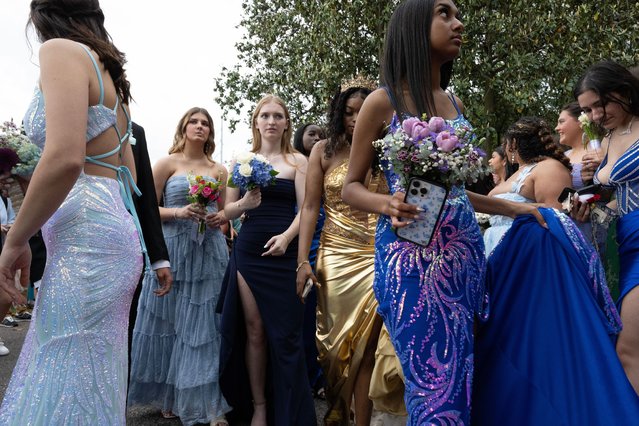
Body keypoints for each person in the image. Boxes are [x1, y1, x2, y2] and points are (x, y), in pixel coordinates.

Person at [341, 1, 542, 423]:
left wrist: (517, 208)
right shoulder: (383, 101)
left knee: (465, 374)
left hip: (464, 256)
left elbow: (455, 193)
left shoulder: (454, 101)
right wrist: (387, 202)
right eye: (444, 13)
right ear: (414, 26)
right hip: (412, 259)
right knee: (432, 380)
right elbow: (351, 187)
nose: (458, 23)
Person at [0, 0, 145, 423]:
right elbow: (126, 177)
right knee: (90, 374)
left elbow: (65, 159)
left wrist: (16, 239)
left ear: (41, 14)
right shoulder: (111, 79)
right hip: (113, 232)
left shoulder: (59, 50)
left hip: (84, 237)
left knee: (63, 368)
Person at [472, 116, 639, 424]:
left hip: (530, 269)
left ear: (511, 146)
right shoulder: (516, 173)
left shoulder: (547, 168)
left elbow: (556, 220)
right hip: (500, 264)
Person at [297, 79, 405, 425]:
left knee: (368, 347)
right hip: (336, 254)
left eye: (362, 112)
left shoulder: (391, 152)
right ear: (337, 115)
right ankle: (339, 412)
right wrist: (303, 261)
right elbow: (311, 207)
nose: (356, 119)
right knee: (333, 348)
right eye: (348, 113)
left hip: (379, 251)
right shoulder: (323, 151)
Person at [217, 94, 315, 425]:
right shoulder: (241, 161)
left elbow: (306, 209)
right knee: (255, 330)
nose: (271, 121)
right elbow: (225, 212)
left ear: (287, 122)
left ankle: (289, 412)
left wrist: (288, 239)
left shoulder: (299, 161)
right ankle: (258, 406)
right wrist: (244, 203)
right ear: (256, 122)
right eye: (265, 116)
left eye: (278, 116)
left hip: (285, 251)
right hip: (250, 250)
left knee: (285, 334)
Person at [128, 108, 230, 425]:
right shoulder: (166, 163)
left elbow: (226, 218)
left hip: (209, 253)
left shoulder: (220, 170)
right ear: (184, 128)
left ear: (210, 133)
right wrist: (179, 212)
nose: (200, 127)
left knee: (202, 328)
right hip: (171, 250)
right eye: (194, 122)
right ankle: (170, 393)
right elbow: (144, 208)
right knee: (170, 324)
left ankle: (208, 403)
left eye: (205, 123)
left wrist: (218, 221)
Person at [573, 60, 639, 394]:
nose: (596, 116)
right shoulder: (610, 139)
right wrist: (590, 203)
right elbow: (616, 199)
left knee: (628, 349)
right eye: (588, 110)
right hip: (622, 246)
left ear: (623, 91)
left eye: (600, 104)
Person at [293, 122, 326, 397]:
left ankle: (320, 375)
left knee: (321, 313)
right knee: (302, 312)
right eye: (311, 133)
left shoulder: (328, 162)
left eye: (320, 135)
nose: (316, 138)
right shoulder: (293, 163)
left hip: (327, 239)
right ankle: (306, 375)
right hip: (299, 239)